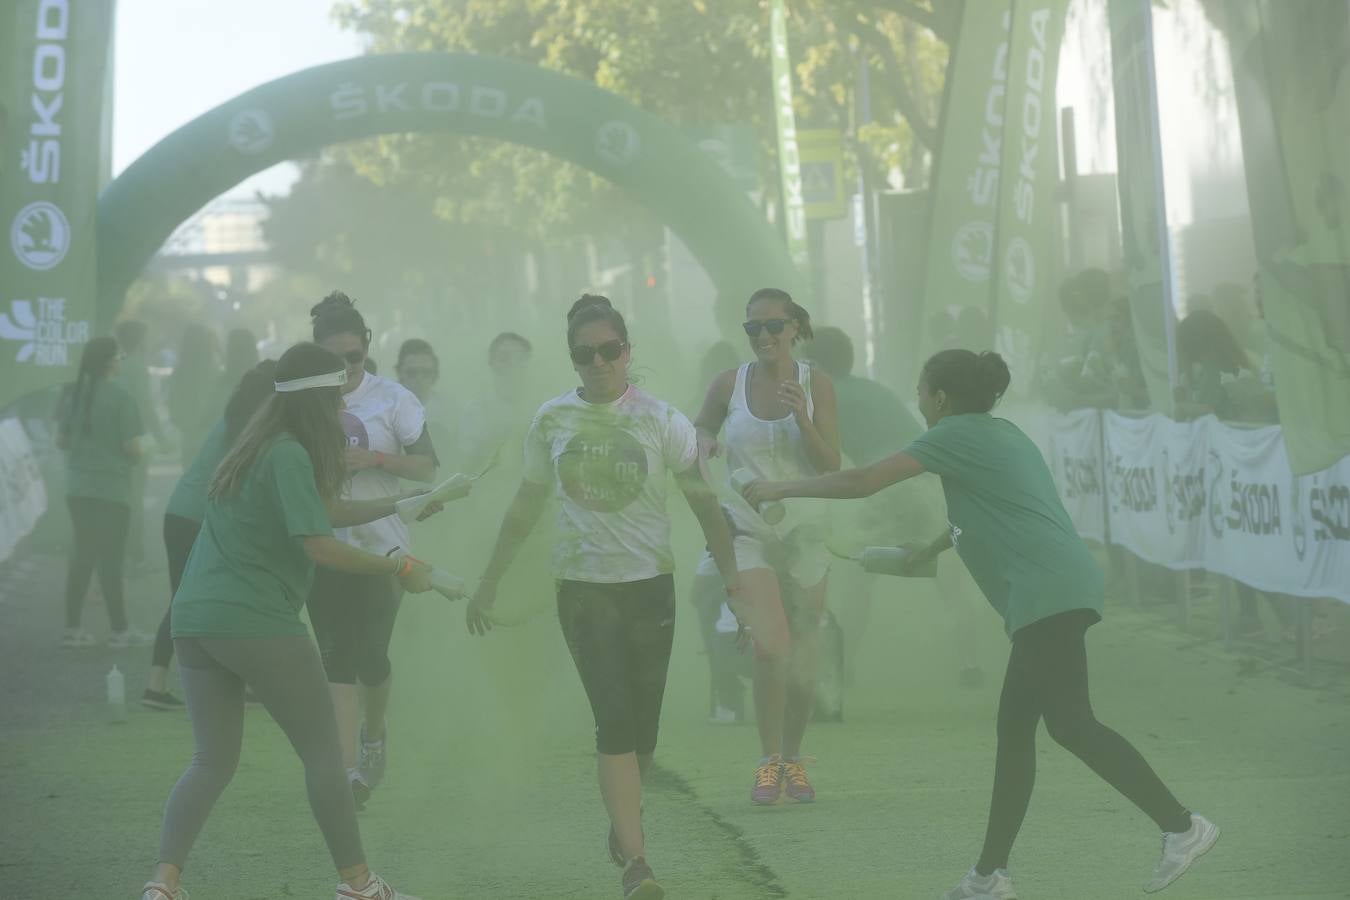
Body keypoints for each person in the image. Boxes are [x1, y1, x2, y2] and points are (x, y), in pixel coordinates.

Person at [742, 349, 1220, 899]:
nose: (917, 402)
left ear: (939, 398)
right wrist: (925, 551)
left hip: (1048, 594)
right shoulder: (997, 433)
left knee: (1071, 725)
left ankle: (1181, 827)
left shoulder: (954, 434)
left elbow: (865, 481)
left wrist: (780, 489)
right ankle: (990, 876)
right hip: (1056, 591)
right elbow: (995, 507)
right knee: (1025, 730)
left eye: (920, 391)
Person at [140, 342, 442, 900]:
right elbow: (320, 545)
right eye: (335, 398)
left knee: (211, 761)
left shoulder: (259, 446)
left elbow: (320, 509)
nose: (339, 411)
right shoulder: (290, 454)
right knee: (326, 756)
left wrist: (399, 504)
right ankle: (359, 885)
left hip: (195, 622)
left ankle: (163, 884)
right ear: (319, 400)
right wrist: (398, 564)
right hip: (257, 620)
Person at [466, 294, 739, 900]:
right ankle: (637, 864)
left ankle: (623, 824)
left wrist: (736, 586)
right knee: (613, 720)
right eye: (585, 354)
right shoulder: (551, 421)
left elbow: (706, 506)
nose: (598, 362)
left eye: (609, 350)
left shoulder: (661, 420)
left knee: (644, 730)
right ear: (572, 359)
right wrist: (489, 582)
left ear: (627, 352)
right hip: (583, 590)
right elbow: (523, 510)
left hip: (650, 586)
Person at [693, 287, 840, 805]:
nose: (764, 337)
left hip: (804, 532)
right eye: (752, 328)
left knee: (804, 653)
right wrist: (706, 442)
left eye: (773, 326)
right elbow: (702, 426)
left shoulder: (815, 383)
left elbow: (831, 466)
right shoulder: (729, 382)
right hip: (746, 529)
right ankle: (767, 760)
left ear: (796, 327)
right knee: (771, 646)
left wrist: (803, 418)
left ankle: (794, 760)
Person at [308, 291, 440, 810]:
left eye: (353, 359)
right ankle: (347, 777)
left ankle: (374, 732)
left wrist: (375, 459)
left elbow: (427, 465)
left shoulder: (394, 400)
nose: (343, 370)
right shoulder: (304, 401)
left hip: (385, 550)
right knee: (336, 659)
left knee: (371, 657)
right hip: (324, 547)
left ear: (367, 348)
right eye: (332, 361)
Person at [142, 361, 277, 711]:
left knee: (184, 600)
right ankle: (236, 683)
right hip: (201, 520)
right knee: (217, 597)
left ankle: (156, 683)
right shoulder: (256, 428)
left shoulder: (233, 420)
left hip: (179, 514)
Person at [57, 336, 151, 648]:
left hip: (78, 488)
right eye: (119, 355)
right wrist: (140, 452)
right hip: (112, 490)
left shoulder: (73, 394)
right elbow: (131, 448)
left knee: (82, 556)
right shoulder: (121, 397)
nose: (121, 360)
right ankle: (120, 631)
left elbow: (61, 441)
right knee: (111, 559)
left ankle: (72, 628)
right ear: (111, 361)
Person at [113, 319, 169, 571]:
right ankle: (134, 555)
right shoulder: (136, 367)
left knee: (120, 497)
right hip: (135, 440)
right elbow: (145, 406)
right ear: (139, 340)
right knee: (134, 497)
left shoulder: (116, 364)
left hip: (114, 440)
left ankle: (118, 551)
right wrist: (162, 438)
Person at [453, 331, 535, 472]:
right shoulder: (476, 411)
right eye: (504, 358)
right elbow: (466, 466)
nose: (512, 364)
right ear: (491, 363)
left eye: (520, 358)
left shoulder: (541, 408)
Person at [166, 324, 222, 466]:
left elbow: (172, 404)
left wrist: (183, 423)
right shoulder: (214, 371)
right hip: (213, 435)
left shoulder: (179, 372)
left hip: (189, 436)